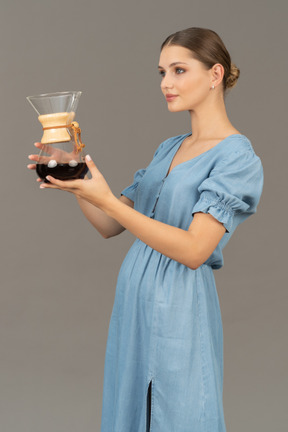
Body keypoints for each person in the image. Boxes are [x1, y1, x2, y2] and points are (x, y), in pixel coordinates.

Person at [28, 27, 264, 432]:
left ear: (215, 74)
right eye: (161, 73)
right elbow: (109, 224)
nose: (166, 84)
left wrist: (104, 198)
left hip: (180, 307)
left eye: (178, 70)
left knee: (181, 412)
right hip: (133, 307)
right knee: (132, 412)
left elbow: (194, 251)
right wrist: (79, 181)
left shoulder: (237, 158)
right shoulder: (169, 147)